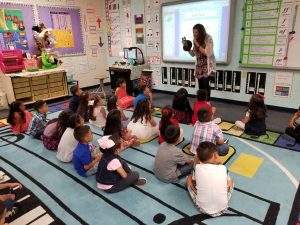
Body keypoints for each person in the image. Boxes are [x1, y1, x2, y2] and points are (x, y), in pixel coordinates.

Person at [186, 142, 234, 217]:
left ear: (198, 157)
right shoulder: (223, 168)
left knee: (189, 179)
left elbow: (193, 180)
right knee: (230, 181)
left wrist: (195, 162)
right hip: (223, 207)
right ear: (215, 155)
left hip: (202, 208)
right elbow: (227, 181)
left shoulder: (198, 168)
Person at [185, 24, 216, 101]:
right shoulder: (196, 40)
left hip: (207, 65)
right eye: (193, 32)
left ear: (201, 31)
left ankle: (207, 102)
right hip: (199, 66)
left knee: (205, 85)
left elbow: (207, 53)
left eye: (196, 32)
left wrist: (197, 44)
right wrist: (187, 48)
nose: (195, 34)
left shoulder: (208, 38)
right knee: (201, 85)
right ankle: (201, 101)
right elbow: (193, 54)